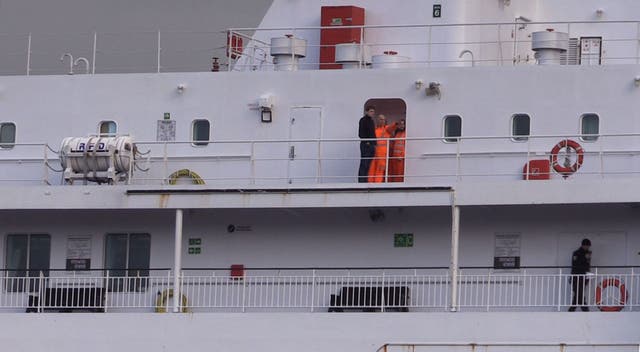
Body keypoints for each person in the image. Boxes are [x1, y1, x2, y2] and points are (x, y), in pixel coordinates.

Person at [368, 114, 397, 183]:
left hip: (382, 154)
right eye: (380, 119)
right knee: (371, 169)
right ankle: (370, 184)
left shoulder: (386, 129)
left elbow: (392, 127)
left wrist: (396, 123)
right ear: (377, 120)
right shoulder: (374, 130)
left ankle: (377, 184)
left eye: (383, 119)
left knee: (380, 170)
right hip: (374, 153)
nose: (382, 121)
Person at [569, 238, 592, 312]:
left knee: (579, 294)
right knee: (579, 293)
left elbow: (587, 266)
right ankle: (585, 310)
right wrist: (585, 258)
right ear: (583, 245)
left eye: (588, 246)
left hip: (584, 277)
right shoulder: (576, 253)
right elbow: (575, 265)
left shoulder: (588, 253)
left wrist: (588, 276)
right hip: (576, 276)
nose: (587, 247)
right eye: (586, 246)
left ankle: (571, 310)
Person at [358, 106, 377, 183]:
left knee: (368, 164)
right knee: (364, 163)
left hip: (371, 145)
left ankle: (365, 180)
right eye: (371, 111)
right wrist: (367, 141)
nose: (372, 113)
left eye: (373, 111)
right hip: (366, 145)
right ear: (366, 112)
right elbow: (361, 133)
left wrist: (374, 143)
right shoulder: (363, 120)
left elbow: (372, 133)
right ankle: (361, 181)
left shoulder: (371, 121)